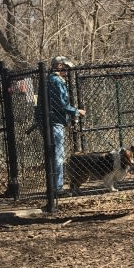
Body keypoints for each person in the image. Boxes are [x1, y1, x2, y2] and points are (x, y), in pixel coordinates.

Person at [47, 56, 86, 192]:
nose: (68, 71)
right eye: (66, 67)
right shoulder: (56, 81)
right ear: (59, 66)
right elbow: (61, 104)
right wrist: (76, 111)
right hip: (54, 122)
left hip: (53, 121)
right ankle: (57, 188)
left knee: (55, 154)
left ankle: (55, 187)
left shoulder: (51, 80)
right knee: (58, 155)